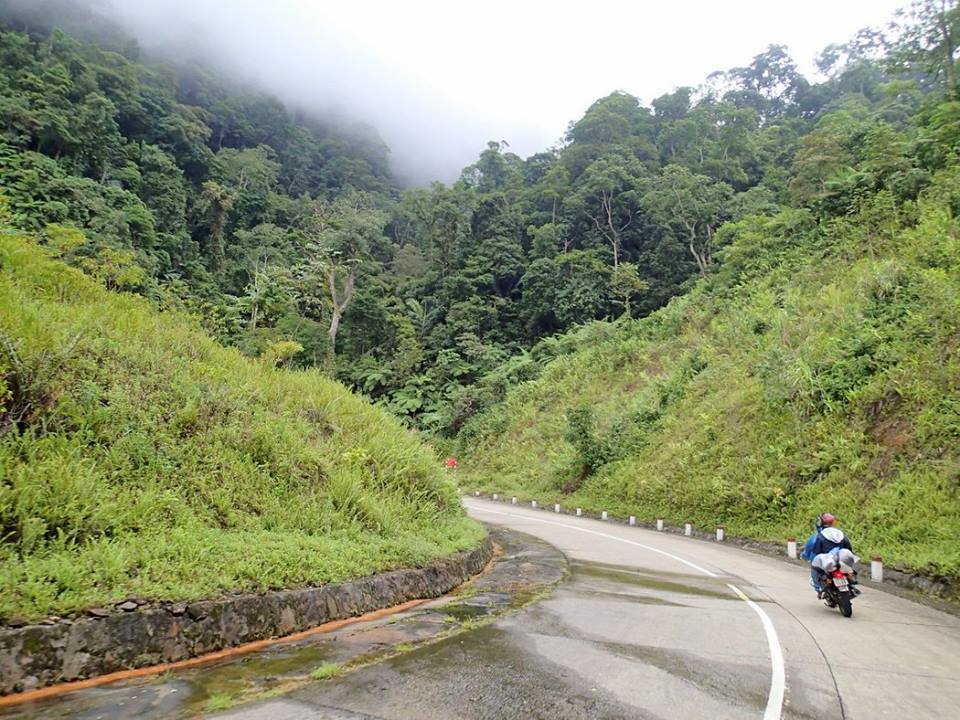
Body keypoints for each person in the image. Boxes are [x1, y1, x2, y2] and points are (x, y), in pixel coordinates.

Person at [802, 513, 854, 597]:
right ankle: (851, 582)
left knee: (815, 568)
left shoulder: (820, 536)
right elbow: (849, 549)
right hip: (841, 560)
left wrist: (810, 559)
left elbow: (815, 552)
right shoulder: (840, 533)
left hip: (828, 562)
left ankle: (819, 588)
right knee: (849, 569)